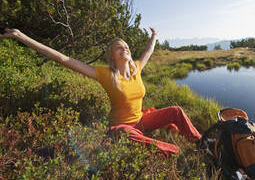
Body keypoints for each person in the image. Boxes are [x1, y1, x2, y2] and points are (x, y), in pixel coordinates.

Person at [0, 28, 201, 157]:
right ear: (112, 56)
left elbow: (148, 51)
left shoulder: (136, 69)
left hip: (142, 120)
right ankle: (175, 152)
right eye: (118, 47)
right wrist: (20, 36)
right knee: (124, 132)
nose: (124, 48)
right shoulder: (105, 74)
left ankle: (202, 144)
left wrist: (155, 36)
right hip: (123, 127)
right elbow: (62, 59)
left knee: (176, 110)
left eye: (126, 46)